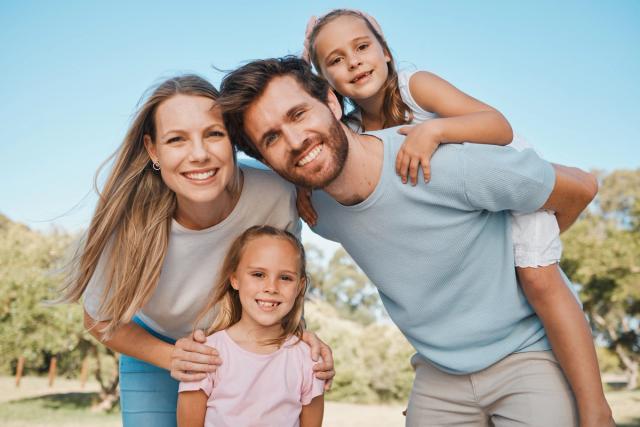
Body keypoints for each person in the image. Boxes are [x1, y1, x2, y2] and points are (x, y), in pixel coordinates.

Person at [218, 56, 605, 426]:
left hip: (526, 354)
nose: (296, 140)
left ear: (331, 102)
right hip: (439, 372)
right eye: (272, 138)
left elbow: (581, 188)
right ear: (267, 160)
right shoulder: (316, 209)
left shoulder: (441, 162)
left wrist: (529, 260)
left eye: (298, 114)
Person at [61, 75, 334, 427]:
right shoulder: (126, 223)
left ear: (233, 139)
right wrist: (170, 355)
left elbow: (280, 282)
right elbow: (97, 318)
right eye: (176, 140)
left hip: (239, 348)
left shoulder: (275, 194)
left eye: (213, 134)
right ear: (153, 149)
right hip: (152, 343)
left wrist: (301, 343)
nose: (200, 154)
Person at [177, 225, 324, 427]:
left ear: (299, 287)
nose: (271, 288)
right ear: (235, 279)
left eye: (285, 278)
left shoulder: (308, 359)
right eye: (258, 274)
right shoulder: (205, 356)